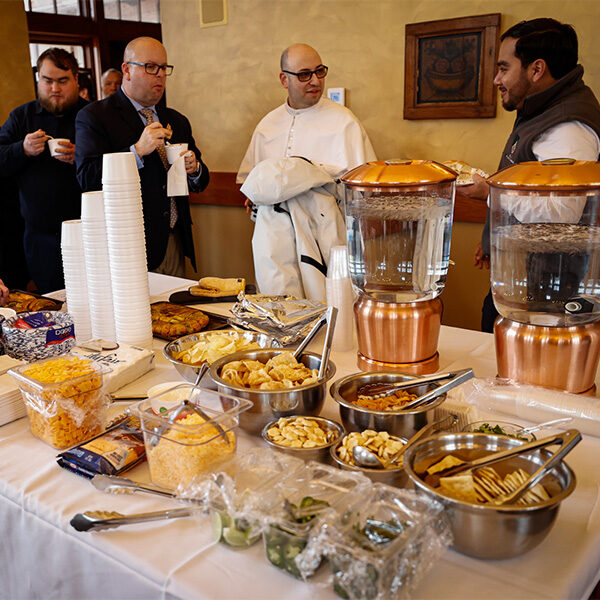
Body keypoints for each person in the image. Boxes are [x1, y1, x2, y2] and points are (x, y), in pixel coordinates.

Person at [462, 18, 600, 332]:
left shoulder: (567, 126)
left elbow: (564, 211)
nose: (497, 79)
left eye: (503, 68)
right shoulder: (541, 108)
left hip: (552, 294)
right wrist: (490, 238)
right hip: (527, 280)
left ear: (536, 70)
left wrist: (490, 195)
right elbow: (529, 182)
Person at [237, 43, 376, 297]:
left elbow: (364, 194)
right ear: (283, 79)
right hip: (274, 239)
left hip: (327, 237)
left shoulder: (345, 122)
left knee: (329, 307)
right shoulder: (267, 125)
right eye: (304, 75)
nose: (315, 81)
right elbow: (251, 183)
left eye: (319, 71)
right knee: (280, 305)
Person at [75, 37, 209, 276]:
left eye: (164, 68)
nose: (159, 75)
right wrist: (136, 152)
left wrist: (194, 168)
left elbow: (201, 180)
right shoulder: (94, 117)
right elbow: (88, 178)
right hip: (130, 244)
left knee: (177, 312)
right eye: (150, 67)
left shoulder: (177, 119)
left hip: (175, 239)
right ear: (127, 70)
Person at [0, 48, 86, 293]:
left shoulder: (92, 115)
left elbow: (116, 161)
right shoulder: (21, 117)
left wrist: (81, 157)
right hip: (40, 236)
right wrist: (22, 149)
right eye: (47, 81)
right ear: (39, 79)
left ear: (76, 79)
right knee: (52, 303)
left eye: (62, 81)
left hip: (89, 231)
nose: (55, 89)